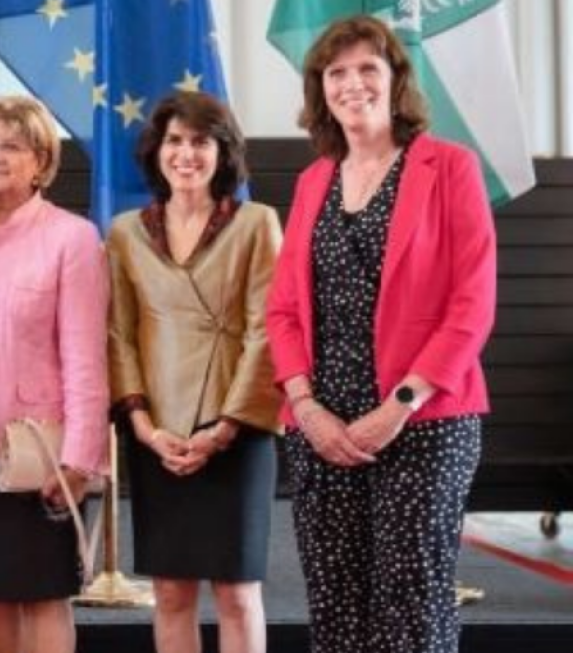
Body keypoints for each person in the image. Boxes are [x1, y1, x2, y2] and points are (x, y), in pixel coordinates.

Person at [266, 15, 497, 653]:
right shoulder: (313, 181)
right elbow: (282, 311)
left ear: (396, 80)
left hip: (423, 423)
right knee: (336, 607)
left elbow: (472, 305)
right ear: (321, 89)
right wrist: (306, 408)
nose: (353, 83)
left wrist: (399, 406)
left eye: (368, 68)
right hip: (321, 428)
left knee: (412, 609)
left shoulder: (450, 167)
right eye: (336, 72)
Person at [107, 91, 282, 653]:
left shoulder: (256, 223)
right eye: (175, 141)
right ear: (156, 151)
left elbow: (267, 331)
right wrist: (143, 429)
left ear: (223, 152)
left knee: (237, 594)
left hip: (237, 427)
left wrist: (224, 429)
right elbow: (118, 335)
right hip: (158, 433)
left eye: (201, 142)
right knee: (170, 592)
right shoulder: (125, 232)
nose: (186, 154)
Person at [0, 95, 109, 653]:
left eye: (12, 146)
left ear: (41, 162)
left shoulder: (71, 236)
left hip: (38, 448)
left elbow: (86, 357)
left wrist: (80, 459)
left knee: (43, 593)